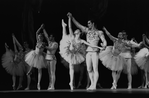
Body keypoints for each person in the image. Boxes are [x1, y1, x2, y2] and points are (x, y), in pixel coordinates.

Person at [60, 16, 103, 90]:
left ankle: (89, 84)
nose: (78, 31)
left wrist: (99, 47)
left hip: (76, 53)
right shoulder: (72, 37)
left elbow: (90, 44)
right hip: (70, 51)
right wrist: (70, 18)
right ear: (75, 33)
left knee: (74, 67)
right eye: (76, 31)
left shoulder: (81, 40)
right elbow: (70, 27)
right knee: (64, 35)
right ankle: (63, 26)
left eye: (79, 31)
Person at [69, 13, 107, 90]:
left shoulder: (99, 32)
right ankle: (92, 84)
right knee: (89, 69)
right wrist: (72, 17)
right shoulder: (86, 30)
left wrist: (104, 44)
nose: (88, 25)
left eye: (89, 23)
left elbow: (104, 40)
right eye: (87, 23)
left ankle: (94, 85)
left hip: (95, 52)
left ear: (93, 23)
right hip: (88, 52)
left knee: (95, 69)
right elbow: (78, 25)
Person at [25, 24, 46, 90]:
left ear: (42, 38)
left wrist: (40, 47)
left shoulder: (43, 43)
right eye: (38, 37)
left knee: (39, 70)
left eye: (40, 37)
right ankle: (30, 71)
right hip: (35, 54)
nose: (39, 38)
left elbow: (41, 50)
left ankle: (38, 83)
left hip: (40, 56)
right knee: (32, 62)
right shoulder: (37, 41)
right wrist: (40, 27)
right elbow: (36, 32)